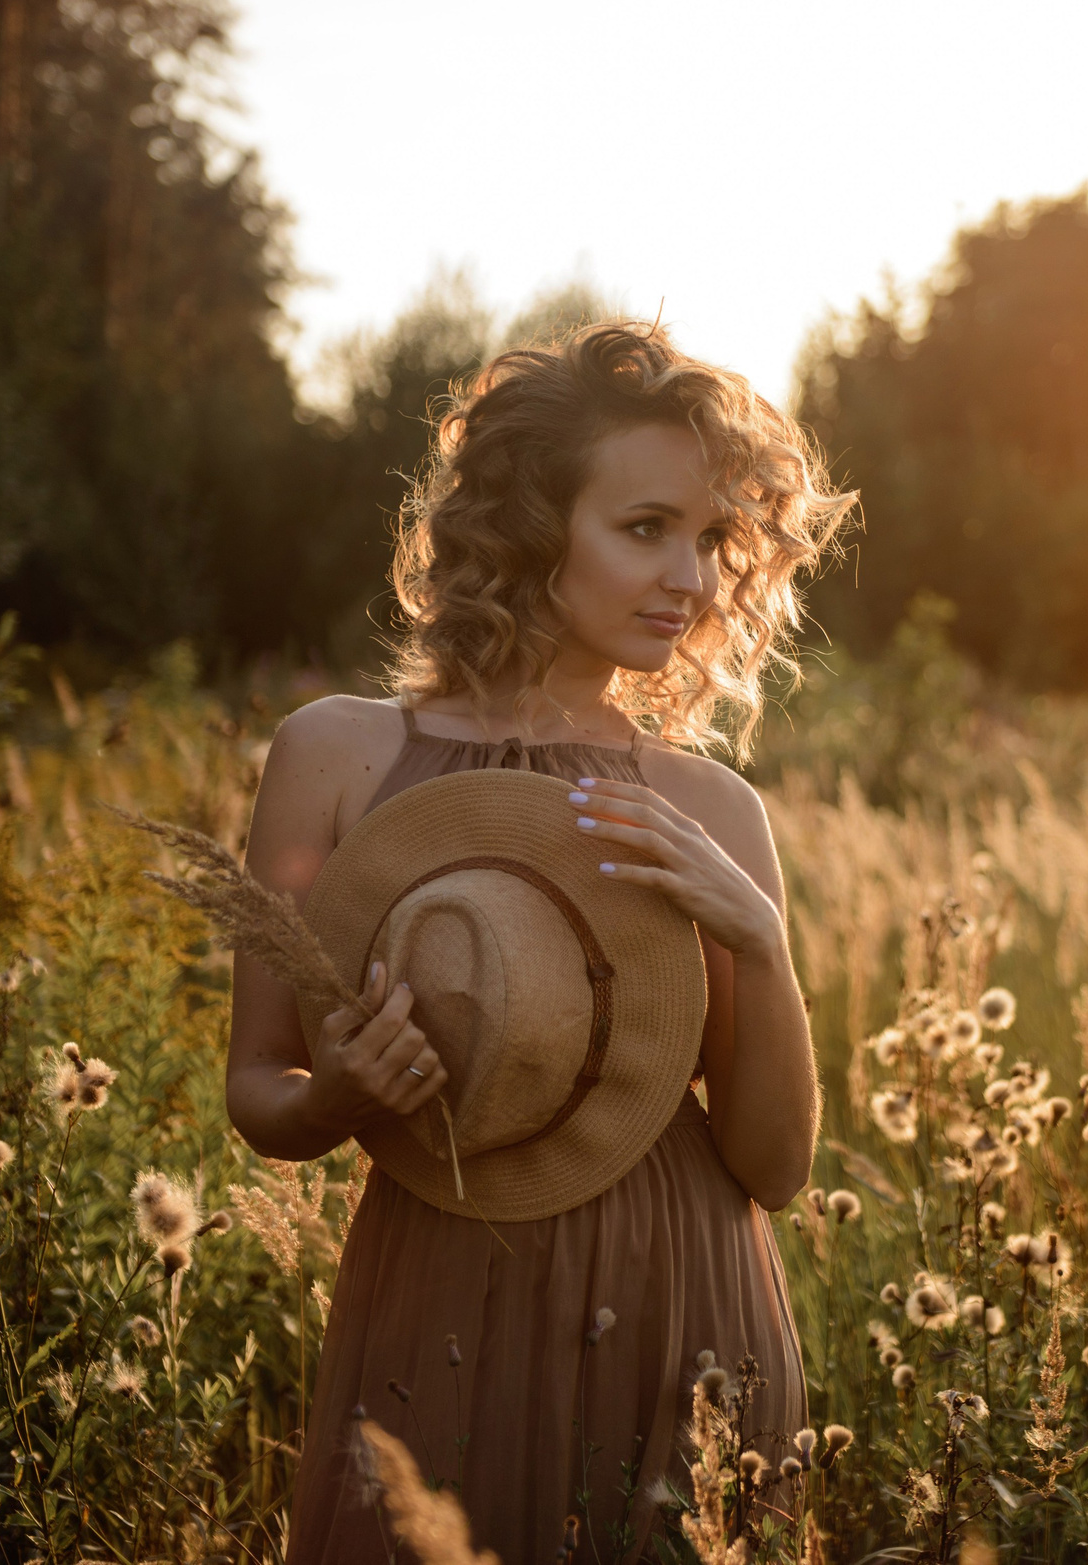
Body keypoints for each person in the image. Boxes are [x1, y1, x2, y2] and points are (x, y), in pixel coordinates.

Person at [227, 321, 857, 1563]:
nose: (690, 574)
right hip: (438, 1285)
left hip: (685, 1290)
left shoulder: (715, 807)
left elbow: (773, 1166)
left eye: (712, 538)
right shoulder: (338, 755)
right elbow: (257, 1084)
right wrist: (336, 1099)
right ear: (529, 528)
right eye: (644, 527)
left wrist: (762, 946)